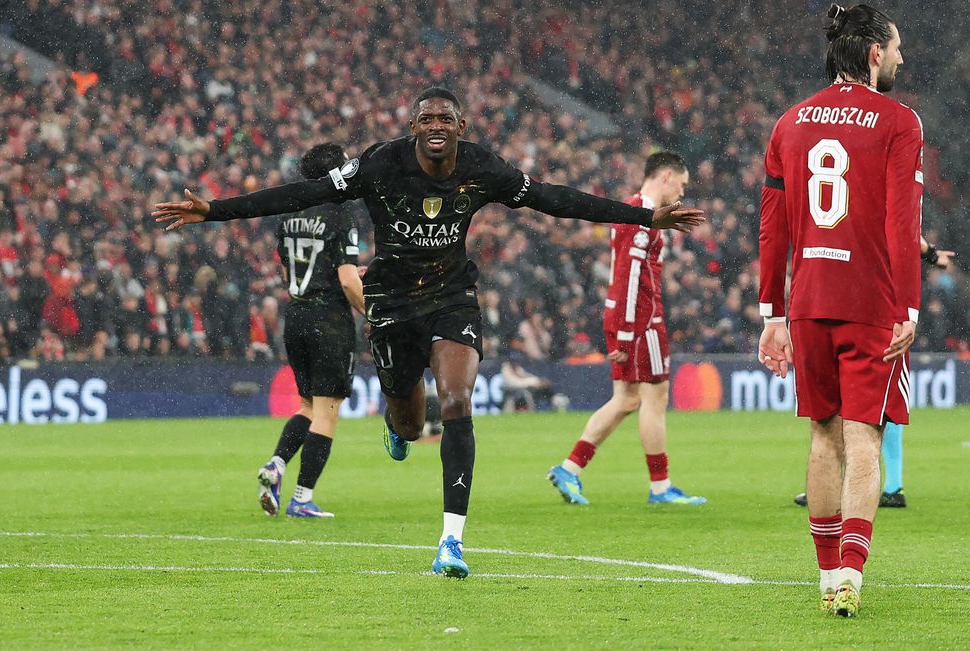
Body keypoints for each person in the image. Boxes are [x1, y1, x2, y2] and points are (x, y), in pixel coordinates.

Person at [153, 86, 706, 578]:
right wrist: (216, 211)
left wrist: (643, 217)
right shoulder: (378, 164)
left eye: (446, 118)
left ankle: (451, 541)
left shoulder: (482, 167)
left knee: (458, 402)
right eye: (426, 119)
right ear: (413, 127)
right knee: (410, 426)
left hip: (451, 298)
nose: (436, 126)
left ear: (460, 128)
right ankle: (398, 427)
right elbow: (305, 194)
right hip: (391, 302)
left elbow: (555, 199)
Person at [758, 4, 923, 618]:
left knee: (822, 435)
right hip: (870, 302)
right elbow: (902, 222)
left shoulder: (790, 122)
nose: (903, 58)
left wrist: (772, 310)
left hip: (809, 301)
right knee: (865, 439)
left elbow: (771, 227)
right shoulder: (898, 121)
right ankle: (851, 573)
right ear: (875, 52)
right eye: (898, 47)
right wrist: (909, 303)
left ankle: (826, 575)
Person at [547, 151, 706, 507]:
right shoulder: (641, 217)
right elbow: (630, 275)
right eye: (680, 184)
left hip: (626, 314)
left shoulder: (634, 212)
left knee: (627, 398)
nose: (680, 193)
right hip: (641, 319)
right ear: (665, 176)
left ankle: (569, 468)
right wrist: (625, 331)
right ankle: (661, 487)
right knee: (654, 398)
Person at [793, 235, 954, 510]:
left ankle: (849, 482)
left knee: (847, 404)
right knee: (876, 402)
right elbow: (903, 229)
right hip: (872, 304)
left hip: (834, 301)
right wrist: (930, 254)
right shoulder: (882, 194)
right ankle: (859, 483)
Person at [256, 143, 365, 519]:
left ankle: (276, 465)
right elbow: (348, 281)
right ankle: (302, 498)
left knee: (307, 405)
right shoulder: (340, 214)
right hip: (329, 320)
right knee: (328, 411)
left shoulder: (289, 213)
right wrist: (374, 312)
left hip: (296, 315)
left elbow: (291, 271)